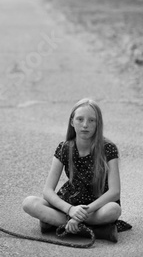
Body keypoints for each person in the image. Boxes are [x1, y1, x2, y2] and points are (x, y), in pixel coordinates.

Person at [22, 98, 131, 242]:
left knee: (114, 210)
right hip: (69, 203)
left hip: (95, 208)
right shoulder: (64, 148)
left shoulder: (108, 149)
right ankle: (96, 230)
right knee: (29, 203)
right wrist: (70, 210)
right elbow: (47, 191)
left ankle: (58, 224)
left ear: (98, 124)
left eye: (92, 120)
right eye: (80, 119)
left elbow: (114, 192)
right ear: (72, 122)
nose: (85, 125)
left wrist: (83, 212)